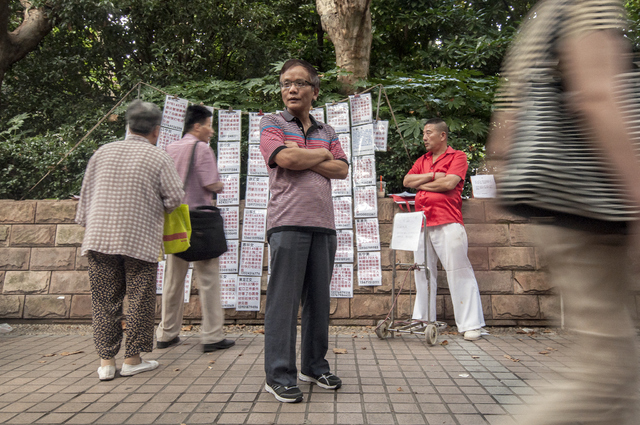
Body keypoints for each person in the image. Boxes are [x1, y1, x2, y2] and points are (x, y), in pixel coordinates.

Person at [488, 0, 639, 423]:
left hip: (561, 208)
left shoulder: (544, 15)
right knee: (606, 375)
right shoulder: (590, 3)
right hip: (591, 206)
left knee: (616, 372)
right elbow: (597, 95)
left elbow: (503, 134)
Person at [259, 59, 349, 403]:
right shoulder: (272, 121)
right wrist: (319, 154)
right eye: (285, 84)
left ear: (315, 89)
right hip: (287, 222)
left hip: (324, 225)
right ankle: (278, 374)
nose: (291, 89)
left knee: (318, 301)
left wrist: (309, 151)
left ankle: (314, 366)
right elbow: (285, 160)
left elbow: (341, 169)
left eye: (299, 83)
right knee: (283, 302)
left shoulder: (327, 130)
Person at [76, 100, 184, 381]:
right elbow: (174, 198)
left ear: (128, 126)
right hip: (139, 239)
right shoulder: (158, 157)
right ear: (156, 130)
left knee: (103, 301)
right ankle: (133, 360)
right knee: (139, 299)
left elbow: (85, 197)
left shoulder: (103, 152)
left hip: (100, 237)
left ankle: (106, 364)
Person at [155, 105, 235, 353]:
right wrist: (221, 185)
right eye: (209, 125)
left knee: (173, 279)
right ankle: (211, 336)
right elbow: (211, 182)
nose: (211, 131)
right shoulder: (202, 149)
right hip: (200, 221)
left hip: (175, 219)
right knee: (209, 279)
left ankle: (166, 333)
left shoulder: (169, 149)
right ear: (197, 126)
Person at [403, 118, 485, 341]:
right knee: (422, 270)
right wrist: (431, 176)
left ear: (442, 135)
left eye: (429, 132)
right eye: (423, 133)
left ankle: (471, 324)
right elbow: (407, 180)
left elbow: (449, 184)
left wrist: (422, 184)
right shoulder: (423, 160)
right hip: (422, 222)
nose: (424, 137)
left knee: (459, 271)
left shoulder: (457, 156)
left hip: (448, 220)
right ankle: (423, 319)